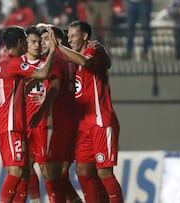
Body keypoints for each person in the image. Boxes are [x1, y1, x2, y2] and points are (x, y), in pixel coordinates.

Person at [57, 20, 123, 203]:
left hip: (101, 122)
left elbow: (87, 62)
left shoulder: (94, 51)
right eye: (67, 37)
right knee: (83, 170)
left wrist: (60, 47)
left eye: (73, 36)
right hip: (82, 126)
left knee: (104, 172)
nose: (69, 40)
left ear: (85, 36)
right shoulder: (71, 61)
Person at [0, 26, 57, 202]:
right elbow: (44, 73)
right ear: (21, 42)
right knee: (17, 172)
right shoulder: (15, 63)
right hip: (12, 125)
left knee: (22, 171)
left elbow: (20, 87)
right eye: (29, 41)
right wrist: (52, 51)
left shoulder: (3, 63)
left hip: (10, 124)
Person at [30, 24, 82, 203]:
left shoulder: (55, 59)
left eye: (46, 39)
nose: (42, 43)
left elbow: (55, 86)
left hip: (55, 121)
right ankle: (75, 200)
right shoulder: (71, 60)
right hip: (70, 121)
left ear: (57, 41)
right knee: (59, 173)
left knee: (50, 174)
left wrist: (41, 109)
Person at [23, 26, 46, 202]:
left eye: (39, 42)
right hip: (23, 123)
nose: (37, 45)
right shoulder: (17, 64)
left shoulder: (48, 63)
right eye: (33, 42)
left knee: (48, 169)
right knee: (26, 166)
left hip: (44, 123)